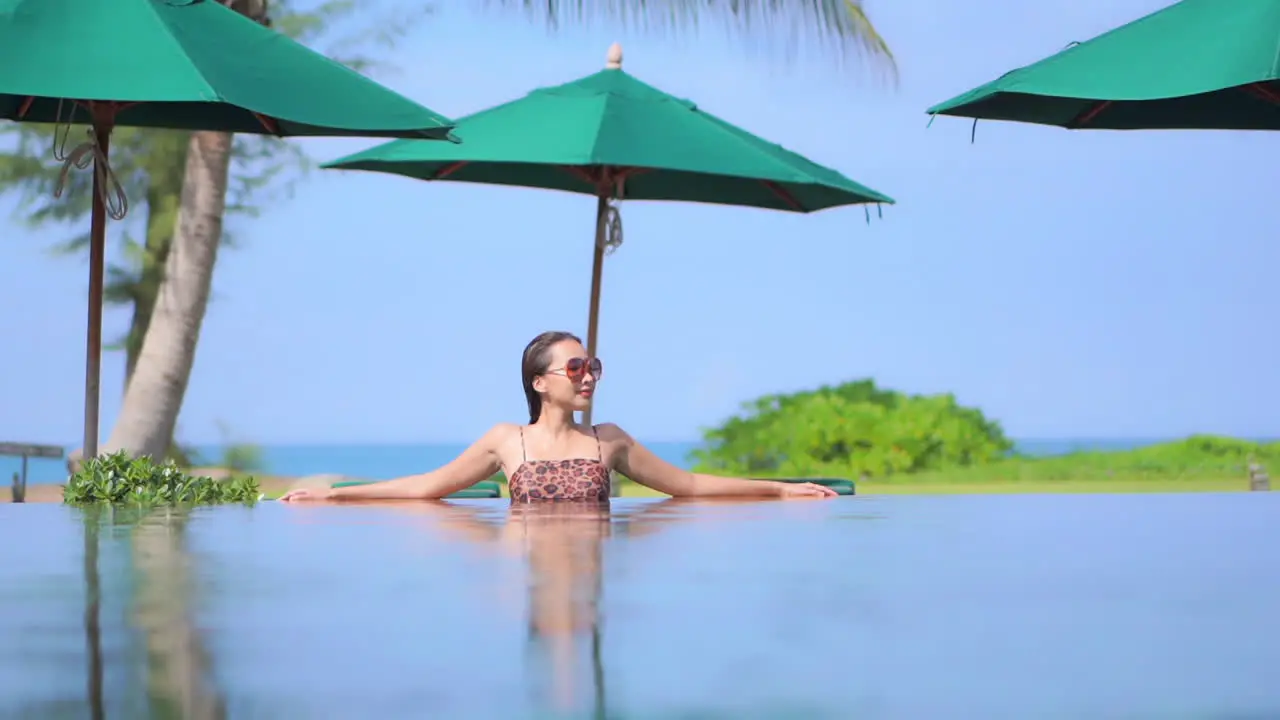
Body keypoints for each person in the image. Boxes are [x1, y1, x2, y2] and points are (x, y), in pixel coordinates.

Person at [279, 331, 838, 503]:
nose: (588, 374)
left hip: (594, 579)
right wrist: (335, 496)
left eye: (592, 364)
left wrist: (779, 491)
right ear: (540, 382)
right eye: (575, 367)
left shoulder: (609, 440)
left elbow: (688, 485)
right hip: (530, 569)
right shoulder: (506, 441)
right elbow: (428, 488)